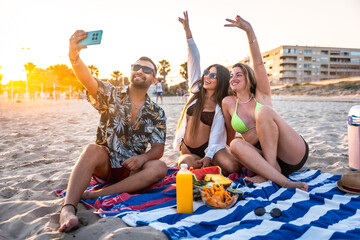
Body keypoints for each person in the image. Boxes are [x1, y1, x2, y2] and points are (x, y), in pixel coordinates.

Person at [59, 30, 168, 232]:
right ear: (131, 71)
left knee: (160, 167)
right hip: (106, 165)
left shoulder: (157, 112)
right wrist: (73, 57)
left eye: (146, 69)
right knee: (92, 149)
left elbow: (158, 148)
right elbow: (88, 80)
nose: (140, 71)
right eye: (136, 67)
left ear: (154, 79)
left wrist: (143, 159)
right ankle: (67, 208)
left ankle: (95, 195)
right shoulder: (112, 93)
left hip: (133, 170)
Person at [222, 15, 309, 191]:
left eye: (239, 74)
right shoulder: (228, 103)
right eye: (232, 75)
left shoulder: (261, 95)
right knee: (235, 144)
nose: (234, 77)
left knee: (263, 112)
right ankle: (275, 174)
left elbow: (258, 63)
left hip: (289, 151)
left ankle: (274, 176)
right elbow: (229, 135)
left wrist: (249, 31)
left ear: (248, 78)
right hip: (260, 156)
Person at [173, 11, 240, 176]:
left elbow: (217, 133)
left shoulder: (222, 105)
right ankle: (205, 166)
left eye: (212, 75)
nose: (206, 77)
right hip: (189, 149)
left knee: (232, 166)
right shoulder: (195, 91)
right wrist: (187, 30)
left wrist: (209, 155)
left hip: (212, 147)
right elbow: (193, 58)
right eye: (206, 72)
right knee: (185, 165)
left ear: (221, 81)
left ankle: (210, 162)